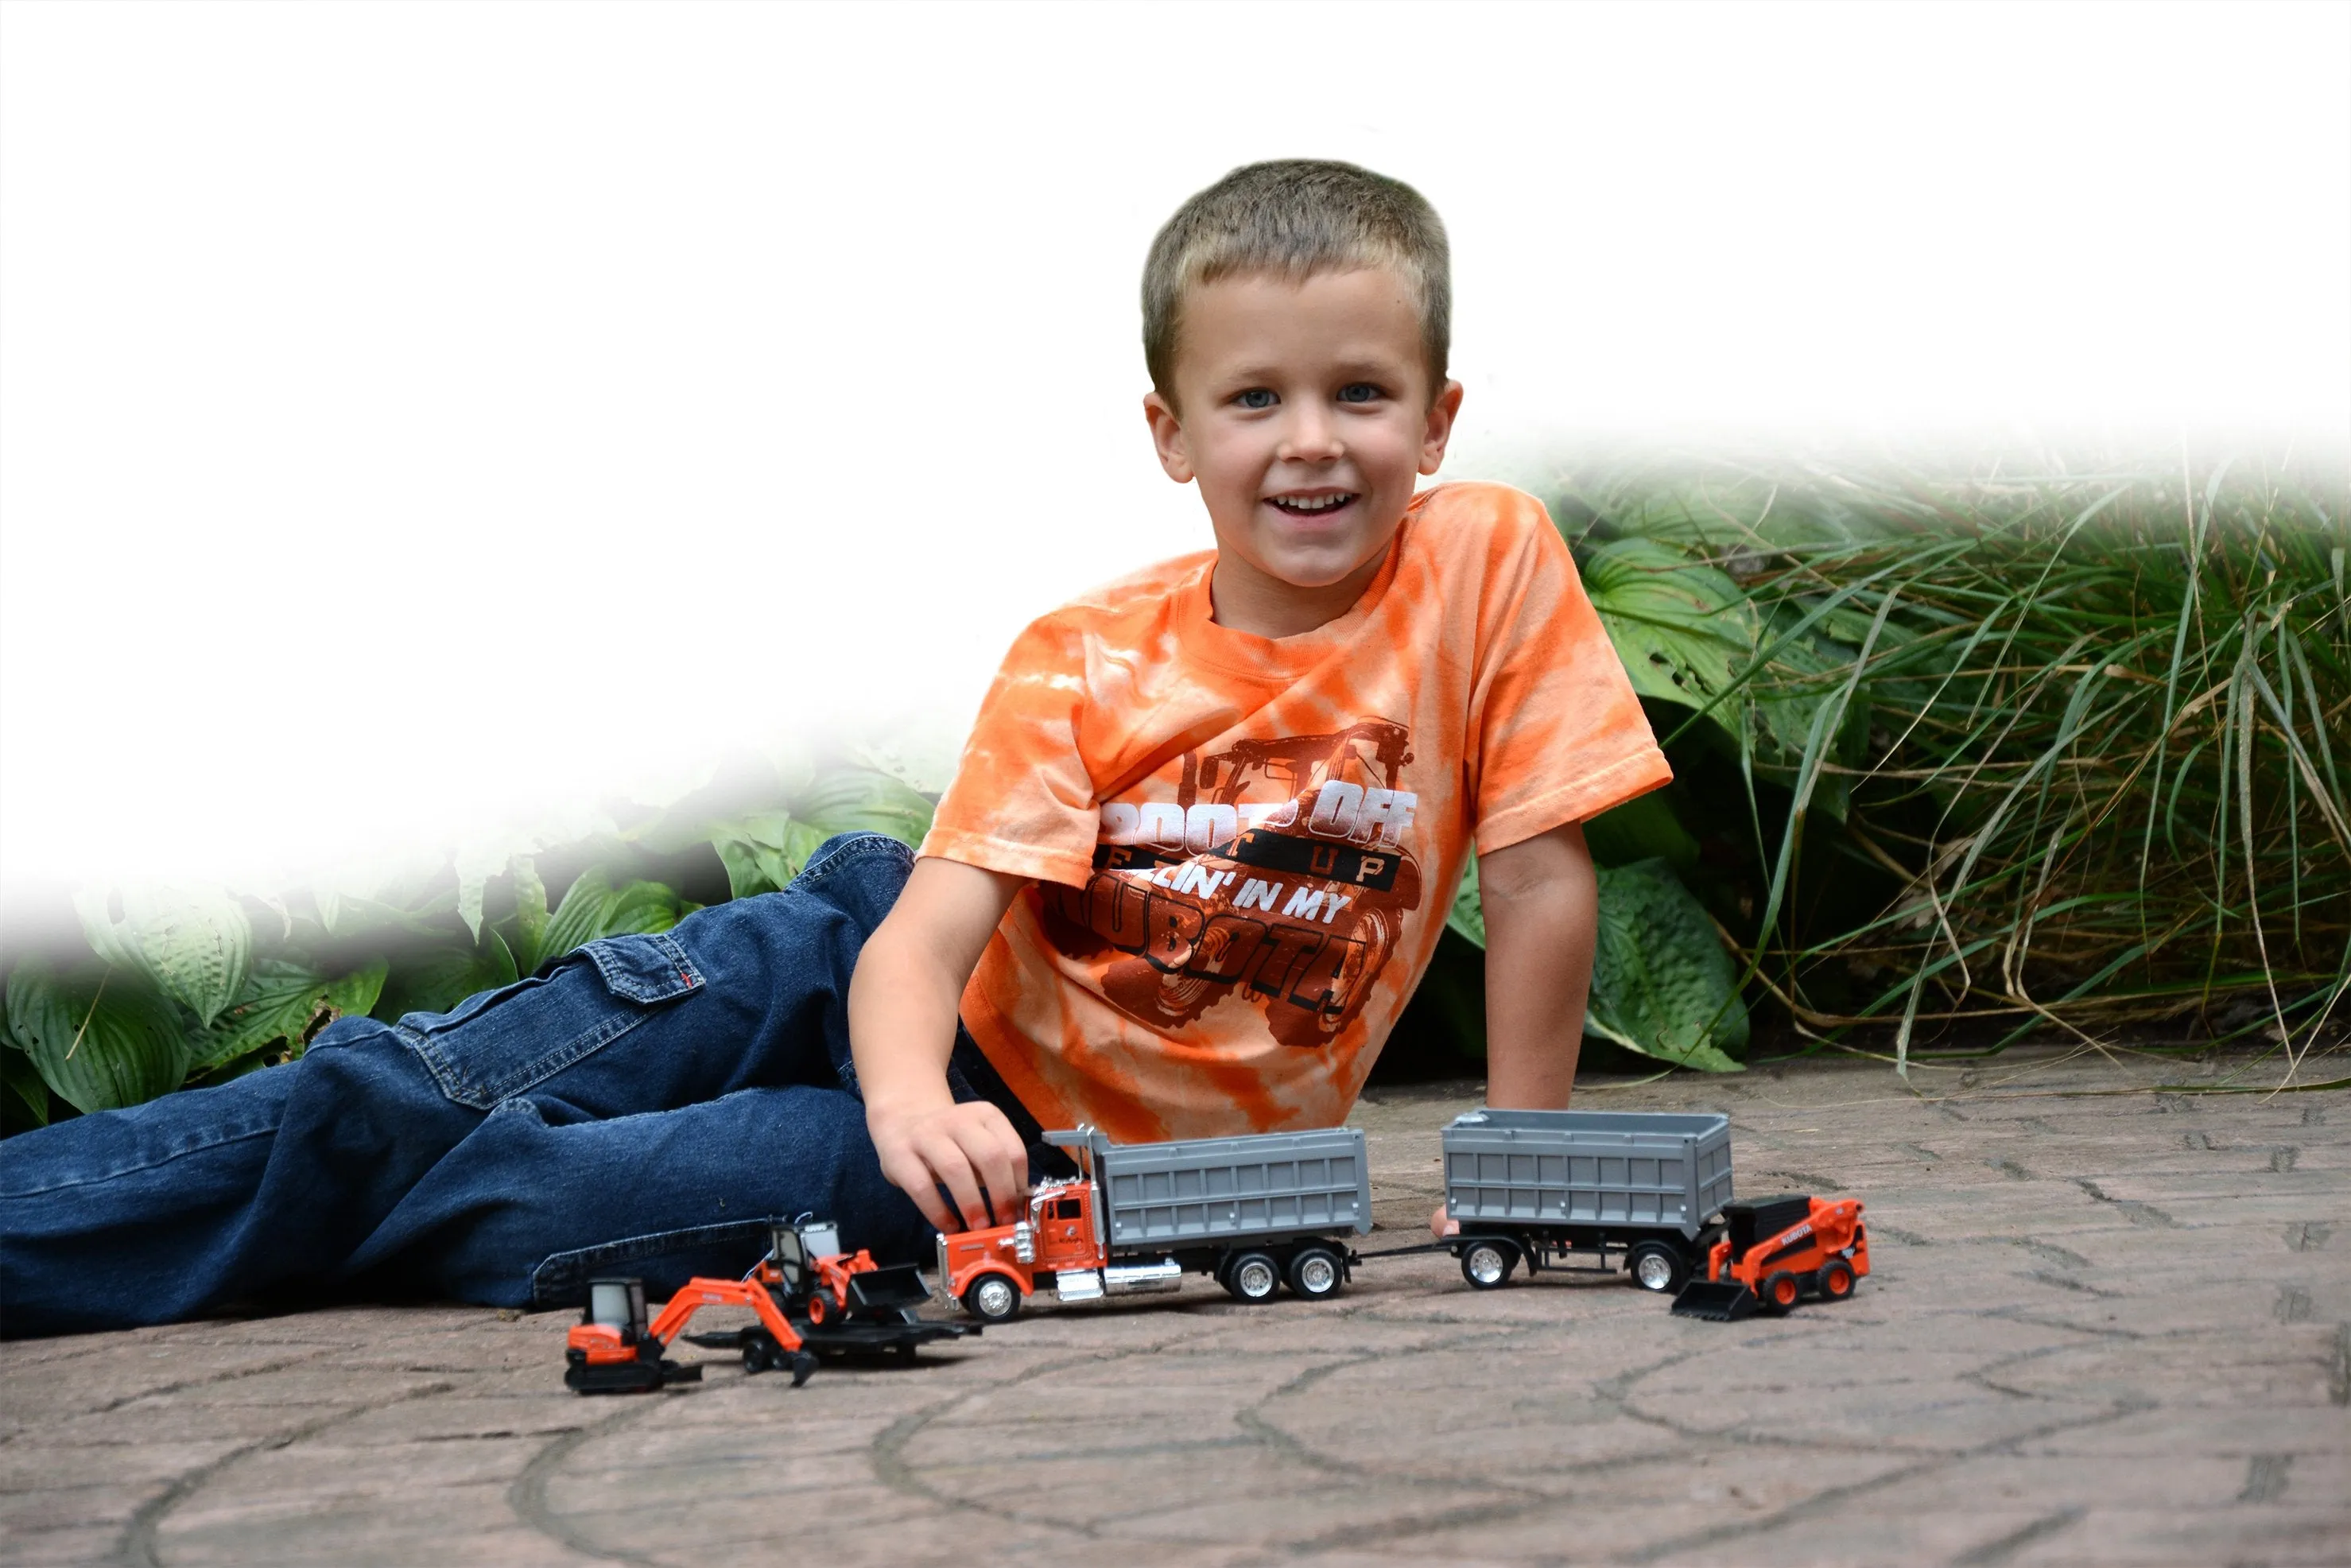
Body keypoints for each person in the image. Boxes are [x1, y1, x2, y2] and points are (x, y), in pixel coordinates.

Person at [0, 160, 1668, 1337]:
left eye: (1361, 393)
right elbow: (921, 938)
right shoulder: (1084, 655)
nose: (1311, 441)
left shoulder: (1484, 560)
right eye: (1253, 400)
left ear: (1437, 418)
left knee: (524, 1203)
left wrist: (1520, 1169)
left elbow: (1532, 875)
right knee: (419, 1085)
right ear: (1170, 432)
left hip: (1053, 1160)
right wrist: (895, 1099)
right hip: (858, 981)